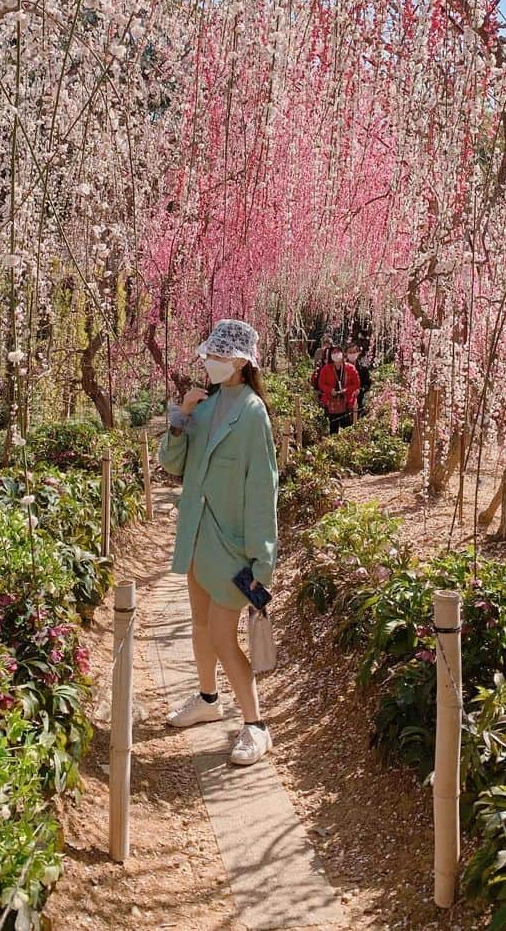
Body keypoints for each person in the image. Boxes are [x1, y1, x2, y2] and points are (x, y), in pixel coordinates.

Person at [158, 318, 278, 767]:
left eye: (218, 356)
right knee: (201, 627)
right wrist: (179, 417)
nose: (208, 362)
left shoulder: (252, 413)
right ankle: (208, 699)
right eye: (208, 354)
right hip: (195, 537)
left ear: (241, 363)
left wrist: (262, 561)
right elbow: (174, 465)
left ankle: (255, 726)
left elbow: (263, 489)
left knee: (226, 638)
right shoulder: (205, 408)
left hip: (232, 548)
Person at [316, 344, 360, 434]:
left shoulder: (350, 368)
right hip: (331, 401)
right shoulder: (325, 369)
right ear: (331, 355)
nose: (336, 354)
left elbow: (356, 384)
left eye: (338, 352)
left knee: (347, 429)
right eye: (334, 352)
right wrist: (330, 390)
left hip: (347, 401)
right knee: (333, 428)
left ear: (342, 353)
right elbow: (321, 384)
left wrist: (346, 390)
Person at [347, 342, 372, 417]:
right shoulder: (342, 367)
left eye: (354, 352)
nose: (352, 354)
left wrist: (361, 390)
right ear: (346, 353)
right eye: (350, 352)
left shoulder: (363, 368)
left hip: (359, 399)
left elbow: (367, 384)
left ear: (358, 353)